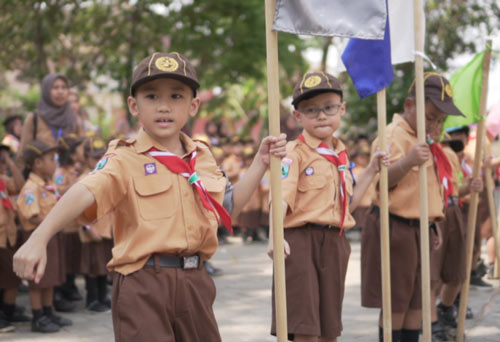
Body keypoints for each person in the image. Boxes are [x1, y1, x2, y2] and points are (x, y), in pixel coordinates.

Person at [13, 52, 286, 342]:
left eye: (177, 96)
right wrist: (39, 238)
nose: (164, 106)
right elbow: (85, 189)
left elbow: (226, 207)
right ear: (134, 105)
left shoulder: (202, 156)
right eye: (152, 96)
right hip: (144, 284)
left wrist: (260, 162)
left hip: (195, 281)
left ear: (193, 105)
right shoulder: (123, 156)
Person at [268, 71, 388, 342]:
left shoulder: (340, 157)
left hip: (335, 243)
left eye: (328, 108)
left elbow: (348, 205)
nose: (321, 115)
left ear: (341, 110)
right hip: (300, 242)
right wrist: (275, 236)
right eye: (311, 110)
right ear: (297, 116)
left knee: (329, 327)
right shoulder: (292, 153)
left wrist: (370, 171)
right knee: (304, 327)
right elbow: (281, 197)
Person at [361, 72, 465, 342]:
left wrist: (433, 222)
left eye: (441, 121)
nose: (435, 125)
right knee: (396, 303)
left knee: (416, 306)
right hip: (396, 227)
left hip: (420, 229)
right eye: (430, 117)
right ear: (409, 106)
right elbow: (382, 181)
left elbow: (429, 189)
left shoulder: (426, 141)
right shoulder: (394, 135)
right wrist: (407, 161)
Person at [429, 136, 483, 341]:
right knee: (432, 275)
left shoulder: (447, 153)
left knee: (458, 271)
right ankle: (432, 322)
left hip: (451, 210)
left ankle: (444, 308)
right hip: (433, 212)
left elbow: (452, 190)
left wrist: (470, 187)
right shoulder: (424, 149)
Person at [16, 140, 72, 333]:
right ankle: (38, 317)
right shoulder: (31, 188)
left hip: (49, 236)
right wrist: (53, 224)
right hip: (36, 237)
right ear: (38, 163)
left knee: (50, 277)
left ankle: (49, 312)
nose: (55, 163)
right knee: (37, 279)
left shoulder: (48, 185)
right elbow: (32, 216)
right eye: (50, 159)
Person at [17, 73, 83, 173]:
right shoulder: (34, 118)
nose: (60, 91)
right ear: (46, 91)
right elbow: (23, 154)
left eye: (64, 87)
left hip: (69, 179)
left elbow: (83, 152)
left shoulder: (74, 119)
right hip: (41, 181)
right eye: (55, 87)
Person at [78, 135, 113, 312]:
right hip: (91, 231)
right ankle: (92, 300)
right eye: (94, 157)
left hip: (105, 229)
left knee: (102, 266)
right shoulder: (84, 179)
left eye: (101, 156)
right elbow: (77, 209)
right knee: (92, 268)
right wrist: (88, 228)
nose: (98, 160)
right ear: (86, 158)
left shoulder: (104, 176)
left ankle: (102, 297)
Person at [0, 144, 27, 332]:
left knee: (11, 278)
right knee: (9, 278)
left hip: (8, 238)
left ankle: (8, 313)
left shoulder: (2, 181)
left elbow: (19, 186)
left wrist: (10, 163)